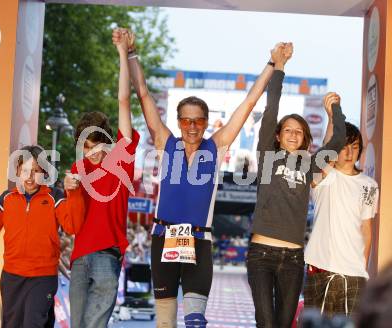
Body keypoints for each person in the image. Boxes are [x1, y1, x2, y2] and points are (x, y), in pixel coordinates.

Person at [113, 28, 290, 328]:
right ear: (178, 122)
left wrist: (272, 64)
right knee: (166, 323)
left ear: (207, 123)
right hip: (163, 240)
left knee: (195, 321)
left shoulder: (215, 147)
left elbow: (247, 104)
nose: (192, 126)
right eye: (186, 120)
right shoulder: (164, 142)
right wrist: (130, 53)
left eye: (198, 120)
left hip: (198, 243)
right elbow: (142, 93)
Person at [246, 57, 347, 326]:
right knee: (266, 323)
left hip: (293, 258)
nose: (293, 135)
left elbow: (338, 141)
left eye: (299, 132)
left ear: (305, 139)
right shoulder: (268, 156)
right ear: (278, 136)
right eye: (287, 130)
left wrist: (334, 110)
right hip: (261, 255)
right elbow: (271, 109)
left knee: (284, 324)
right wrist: (279, 68)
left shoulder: (311, 164)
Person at [0, 145, 85, 328]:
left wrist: (74, 193)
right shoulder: (7, 199)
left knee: (33, 324)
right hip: (12, 277)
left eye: (36, 171)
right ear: (17, 171)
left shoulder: (55, 197)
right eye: (25, 170)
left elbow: (73, 225)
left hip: (42, 277)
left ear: (44, 172)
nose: (30, 176)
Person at [67, 29, 140, 328]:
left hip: (107, 256)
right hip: (79, 257)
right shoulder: (76, 170)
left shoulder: (121, 156)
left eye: (96, 144)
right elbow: (71, 223)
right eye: (85, 146)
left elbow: (124, 100)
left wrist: (123, 53)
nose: (92, 151)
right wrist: (69, 190)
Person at [304, 118, 379, 317]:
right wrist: (332, 118)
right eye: (343, 146)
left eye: (354, 147)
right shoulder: (325, 177)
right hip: (320, 268)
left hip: (354, 274)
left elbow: (366, 230)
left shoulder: (369, 185)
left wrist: (362, 268)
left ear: (360, 150)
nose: (348, 153)